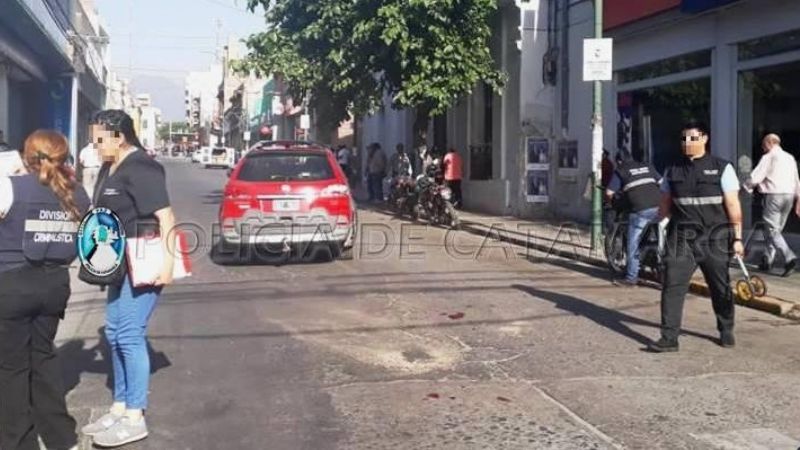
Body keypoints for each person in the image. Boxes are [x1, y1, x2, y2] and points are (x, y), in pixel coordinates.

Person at [79, 110, 176, 448]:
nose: (94, 146)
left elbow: (165, 216)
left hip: (145, 259)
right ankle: (119, 406)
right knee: (116, 335)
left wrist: (168, 261)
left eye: (99, 140)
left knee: (130, 335)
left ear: (118, 137)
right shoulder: (110, 167)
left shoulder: (142, 167)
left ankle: (135, 416)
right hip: (116, 261)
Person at [0, 130, 91, 450]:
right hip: (54, 287)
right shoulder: (79, 194)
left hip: (11, 287)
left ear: (27, 155)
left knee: (11, 369)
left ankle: (18, 442)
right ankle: (63, 440)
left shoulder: (8, 186)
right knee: (43, 359)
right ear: (63, 157)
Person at [649, 121, 744, 353]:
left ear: (704, 139)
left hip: (715, 238)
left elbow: (733, 204)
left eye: (692, 138)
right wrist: (654, 228)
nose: (687, 143)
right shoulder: (672, 170)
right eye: (683, 139)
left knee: (720, 287)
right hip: (681, 238)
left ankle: (725, 328)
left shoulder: (722, 167)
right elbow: (664, 205)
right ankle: (669, 337)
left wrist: (738, 238)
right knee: (672, 284)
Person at [743, 133, 800, 277]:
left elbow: (756, 176)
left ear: (769, 143)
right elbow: (796, 180)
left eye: (763, 145)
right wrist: (798, 199)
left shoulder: (769, 157)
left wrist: (744, 188)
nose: (762, 149)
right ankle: (767, 259)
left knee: (773, 230)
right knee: (774, 230)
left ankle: (789, 257)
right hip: (789, 196)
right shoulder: (790, 158)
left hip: (774, 196)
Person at [605, 150, 661, 287]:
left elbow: (609, 193)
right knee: (663, 239)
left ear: (619, 161)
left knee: (633, 243)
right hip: (660, 207)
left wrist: (612, 202)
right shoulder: (648, 166)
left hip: (640, 210)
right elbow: (662, 183)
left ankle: (631, 278)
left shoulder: (621, 170)